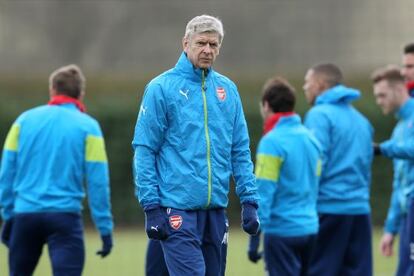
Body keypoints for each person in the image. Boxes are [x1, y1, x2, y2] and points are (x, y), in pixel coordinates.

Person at [132, 15, 259, 276]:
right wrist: (151, 207)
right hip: (176, 209)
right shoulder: (161, 88)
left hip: (215, 211)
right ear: (185, 43)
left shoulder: (228, 90)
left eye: (213, 45)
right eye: (201, 43)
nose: (207, 50)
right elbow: (145, 150)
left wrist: (249, 200)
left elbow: (239, 150)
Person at [0, 64, 114, 275]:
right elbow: (98, 182)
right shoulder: (89, 127)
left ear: (52, 89)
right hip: (65, 218)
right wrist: (105, 229)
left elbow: (6, 173)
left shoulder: (23, 121)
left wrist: (8, 214)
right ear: (81, 93)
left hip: (25, 215)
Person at [303, 63, 374, 276]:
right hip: (360, 210)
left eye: (308, 83)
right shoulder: (362, 120)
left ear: (320, 85)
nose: (304, 87)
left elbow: (315, 162)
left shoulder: (319, 115)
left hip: (328, 209)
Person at [247, 76, 322, 275]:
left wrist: (254, 239)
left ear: (266, 105)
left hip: (282, 232)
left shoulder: (271, 142)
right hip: (310, 228)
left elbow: (264, 191)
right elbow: (316, 184)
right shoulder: (311, 139)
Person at [371, 65, 414, 276]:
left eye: (382, 95)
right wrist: (390, 229)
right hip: (409, 215)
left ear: (398, 90)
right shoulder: (399, 129)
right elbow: (400, 184)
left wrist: (381, 148)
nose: (379, 101)